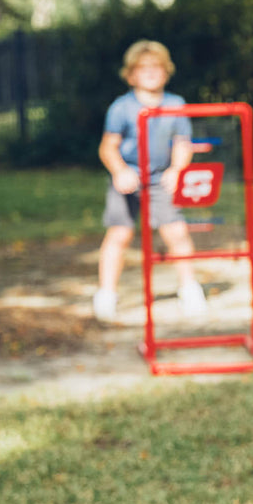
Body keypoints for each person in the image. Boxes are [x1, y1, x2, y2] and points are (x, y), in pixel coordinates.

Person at [93, 40, 207, 322]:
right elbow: (107, 147)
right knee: (120, 234)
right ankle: (107, 294)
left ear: (166, 71)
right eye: (143, 68)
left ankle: (189, 289)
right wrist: (120, 171)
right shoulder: (121, 108)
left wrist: (176, 170)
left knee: (176, 231)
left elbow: (182, 143)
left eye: (156, 66)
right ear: (131, 74)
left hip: (160, 180)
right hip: (128, 177)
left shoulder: (175, 104)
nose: (150, 72)